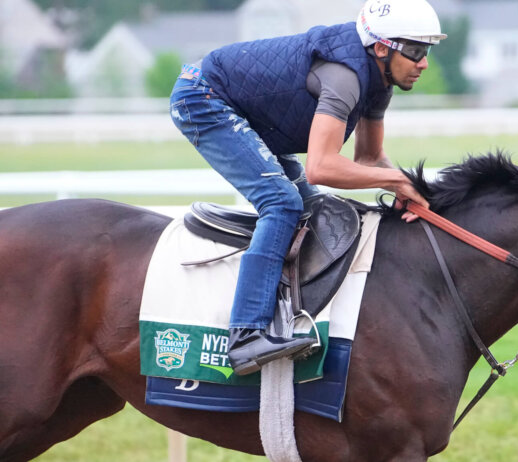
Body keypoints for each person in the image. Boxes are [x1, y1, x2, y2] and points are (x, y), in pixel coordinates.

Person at [169, 0, 446, 376]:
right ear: (381, 47)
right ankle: (246, 335)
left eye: (426, 51)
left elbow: (368, 157)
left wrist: (413, 187)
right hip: (204, 96)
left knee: (314, 210)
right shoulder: (345, 76)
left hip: (247, 109)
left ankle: (290, 315)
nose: (424, 63)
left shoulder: (380, 81)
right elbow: (320, 167)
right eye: (415, 51)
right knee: (282, 204)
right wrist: (396, 180)